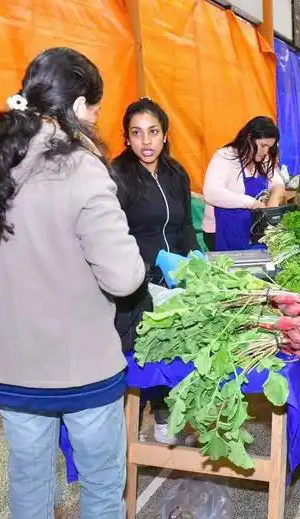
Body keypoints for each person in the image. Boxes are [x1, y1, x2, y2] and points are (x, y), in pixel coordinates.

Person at [0, 48, 145, 519]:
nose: (95, 121)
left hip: (8, 364)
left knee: (29, 480)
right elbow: (123, 277)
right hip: (78, 369)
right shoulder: (80, 167)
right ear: (78, 107)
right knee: (101, 485)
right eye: (95, 110)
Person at [111, 97, 197, 445]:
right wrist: (148, 265)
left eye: (153, 132)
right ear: (127, 137)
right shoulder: (116, 175)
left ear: (165, 135)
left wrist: (192, 261)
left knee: (181, 343)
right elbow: (114, 235)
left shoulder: (176, 174)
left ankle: (178, 410)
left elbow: (185, 225)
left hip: (175, 276)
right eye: (137, 133)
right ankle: (161, 418)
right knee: (154, 349)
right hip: (139, 282)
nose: (146, 142)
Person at [202, 116, 285, 251]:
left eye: (269, 147)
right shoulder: (225, 157)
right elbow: (211, 193)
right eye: (263, 145)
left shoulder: (263, 158)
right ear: (249, 137)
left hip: (252, 230)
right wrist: (252, 203)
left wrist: (271, 208)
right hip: (222, 231)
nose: (266, 151)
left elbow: (278, 183)